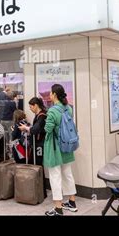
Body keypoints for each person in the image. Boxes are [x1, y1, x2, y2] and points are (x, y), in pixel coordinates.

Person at [44, 84, 77, 216]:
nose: (50, 95)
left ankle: (58, 208)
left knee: (55, 176)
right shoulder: (68, 108)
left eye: (51, 93)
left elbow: (48, 129)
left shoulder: (52, 111)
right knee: (67, 174)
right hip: (68, 146)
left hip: (55, 147)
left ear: (54, 95)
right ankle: (72, 202)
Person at [18, 96, 48, 198]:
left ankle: (41, 192)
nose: (30, 108)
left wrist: (25, 128)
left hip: (39, 145)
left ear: (35, 105)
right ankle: (36, 190)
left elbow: (35, 129)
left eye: (31, 106)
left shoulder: (42, 116)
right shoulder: (38, 115)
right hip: (36, 144)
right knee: (35, 165)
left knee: (38, 167)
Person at [0, 90, 17, 155]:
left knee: (5, 135)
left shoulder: (1, 102)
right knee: (11, 134)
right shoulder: (12, 103)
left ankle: (6, 150)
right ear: (12, 96)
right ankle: (12, 150)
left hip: (2, 121)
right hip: (10, 121)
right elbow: (15, 111)